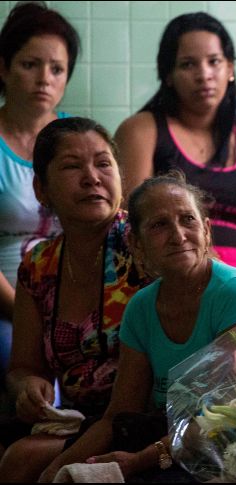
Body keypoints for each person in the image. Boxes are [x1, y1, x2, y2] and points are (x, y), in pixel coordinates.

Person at [39, 171, 236, 482]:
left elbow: (222, 417)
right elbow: (118, 414)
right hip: (172, 439)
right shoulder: (141, 308)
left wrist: (136, 462)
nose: (178, 235)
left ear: (207, 231)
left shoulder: (235, 294)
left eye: (187, 220)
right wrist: (54, 469)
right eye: (159, 225)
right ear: (135, 243)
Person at [0, 117, 145, 482]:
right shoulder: (38, 266)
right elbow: (24, 367)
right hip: (80, 421)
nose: (92, 177)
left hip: (148, 419)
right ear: (41, 189)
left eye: (103, 164)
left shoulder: (149, 245)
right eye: (71, 166)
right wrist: (29, 389)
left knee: (22, 461)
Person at [116, 12, 236, 281]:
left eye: (214, 62)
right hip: (171, 282)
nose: (204, 74)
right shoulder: (142, 130)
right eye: (187, 64)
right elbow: (129, 222)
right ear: (168, 75)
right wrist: (210, 282)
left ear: (230, 69)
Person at [0, 1, 80, 410]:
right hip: (8, 301)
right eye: (30, 64)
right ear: (3, 68)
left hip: (76, 303)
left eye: (57, 69)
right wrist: (28, 316)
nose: (44, 79)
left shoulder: (77, 142)